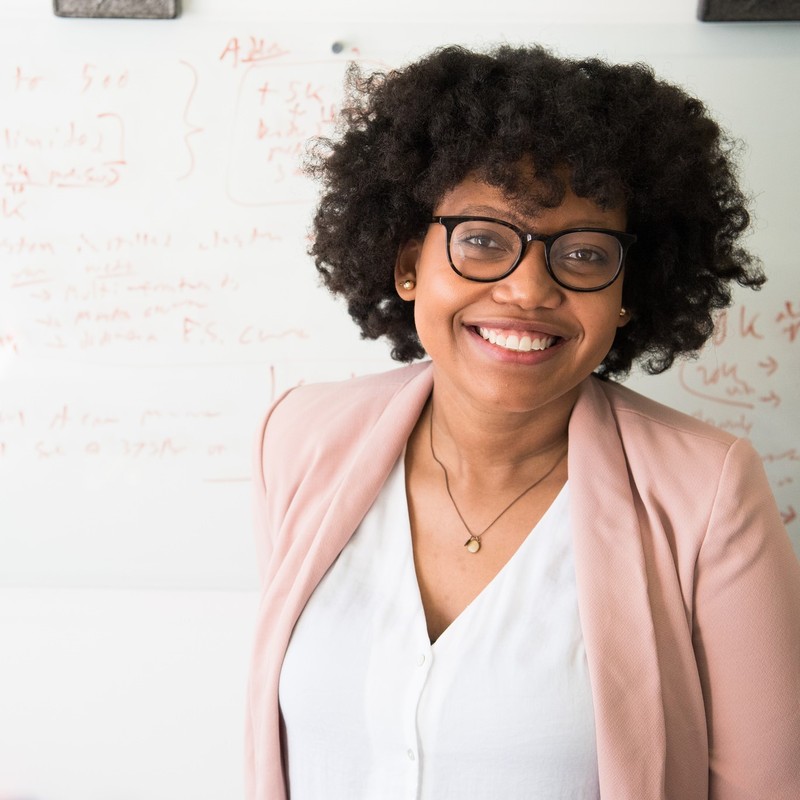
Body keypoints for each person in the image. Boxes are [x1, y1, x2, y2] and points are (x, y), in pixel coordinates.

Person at [245, 45, 800, 800]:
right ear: (410, 261)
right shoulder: (301, 438)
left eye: (582, 253)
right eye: (482, 240)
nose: (528, 289)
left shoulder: (707, 491)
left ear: (629, 291)